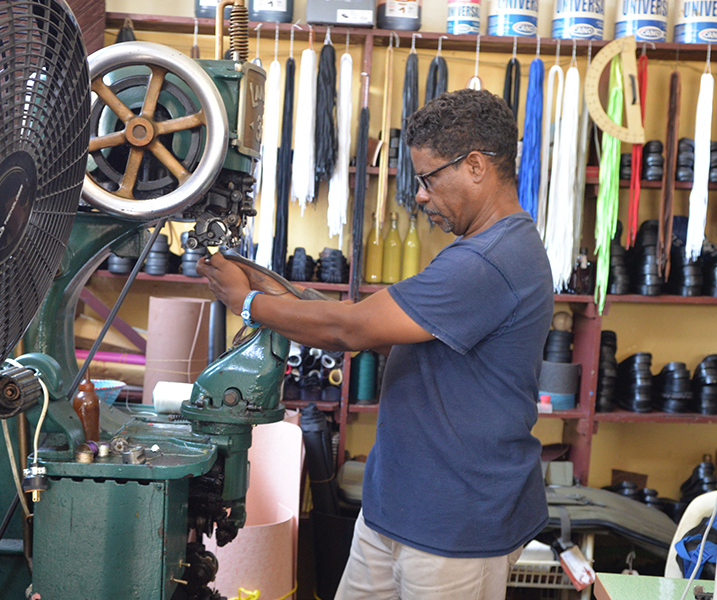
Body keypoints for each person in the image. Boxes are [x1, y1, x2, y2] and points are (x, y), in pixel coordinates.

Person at [198, 88, 552, 600]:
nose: (421, 196)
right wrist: (283, 293)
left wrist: (249, 303)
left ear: (475, 166)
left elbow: (352, 330)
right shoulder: (479, 252)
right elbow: (389, 331)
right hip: (397, 510)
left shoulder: (490, 260)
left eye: (428, 178)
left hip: (454, 528)